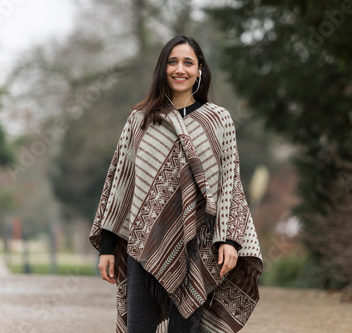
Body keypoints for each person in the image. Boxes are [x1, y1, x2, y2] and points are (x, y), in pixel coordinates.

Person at [89, 34, 263, 333]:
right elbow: (121, 184)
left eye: (188, 62)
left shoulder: (218, 120)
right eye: (172, 62)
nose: (179, 69)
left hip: (198, 246)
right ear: (162, 69)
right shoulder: (140, 120)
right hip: (144, 243)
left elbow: (229, 183)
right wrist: (107, 246)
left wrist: (230, 240)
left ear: (199, 71)